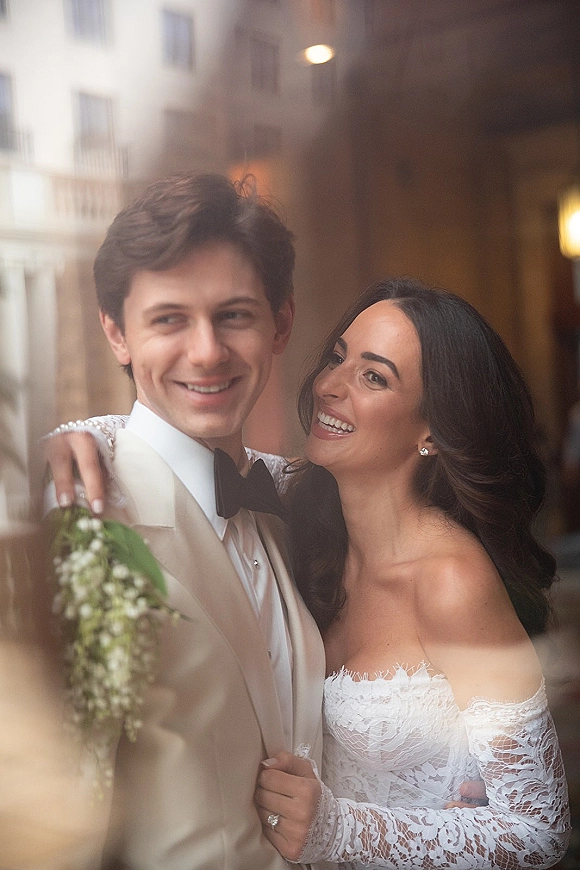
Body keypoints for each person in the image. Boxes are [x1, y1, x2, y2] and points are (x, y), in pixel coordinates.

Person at [45, 171, 326, 870]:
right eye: (169, 319)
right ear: (117, 333)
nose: (206, 351)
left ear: (280, 323)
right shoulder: (80, 526)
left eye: (234, 314)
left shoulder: (297, 505)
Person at [250, 278, 570, 867]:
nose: (330, 386)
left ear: (432, 433)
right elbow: (196, 461)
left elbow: (537, 828)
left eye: (374, 376)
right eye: (337, 358)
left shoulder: (452, 581)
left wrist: (337, 831)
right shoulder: (302, 515)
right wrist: (83, 437)